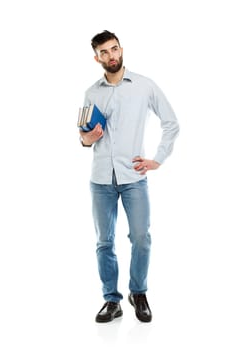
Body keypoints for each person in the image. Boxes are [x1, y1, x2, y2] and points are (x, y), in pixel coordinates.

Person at [79, 30, 179, 323]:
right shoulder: (91, 92)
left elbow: (171, 123)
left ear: (121, 49)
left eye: (114, 49)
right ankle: (112, 300)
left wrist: (157, 160)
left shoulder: (144, 86)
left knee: (141, 238)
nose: (111, 56)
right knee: (104, 242)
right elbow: (83, 138)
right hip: (101, 180)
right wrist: (89, 138)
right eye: (104, 52)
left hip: (134, 176)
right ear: (96, 58)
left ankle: (139, 293)